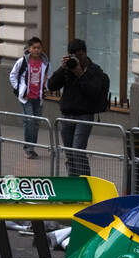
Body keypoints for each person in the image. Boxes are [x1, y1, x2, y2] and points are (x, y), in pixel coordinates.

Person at [47, 38, 110, 177]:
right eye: (74, 55)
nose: (78, 59)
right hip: (67, 115)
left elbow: (94, 93)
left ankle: (85, 183)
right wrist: (62, 68)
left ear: (85, 54)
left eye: (80, 55)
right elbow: (51, 85)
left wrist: (80, 74)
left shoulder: (95, 71)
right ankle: (73, 183)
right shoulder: (67, 69)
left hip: (84, 115)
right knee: (69, 152)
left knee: (78, 151)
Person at [9, 36, 47, 158]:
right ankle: (28, 148)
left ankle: (32, 147)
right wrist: (19, 89)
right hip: (26, 97)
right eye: (34, 48)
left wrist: (46, 88)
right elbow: (13, 75)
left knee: (36, 123)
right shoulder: (23, 61)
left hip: (38, 97)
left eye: (39, 48)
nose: (37, 50)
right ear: (29, 49)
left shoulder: (45, 62)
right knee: (30, 120)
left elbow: (48, 76)